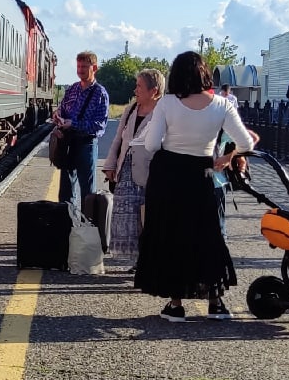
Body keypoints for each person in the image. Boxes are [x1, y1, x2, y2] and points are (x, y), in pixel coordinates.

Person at [134, 51, 259, 322]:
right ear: (204, 74)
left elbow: (152, 145)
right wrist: (227, 157)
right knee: (206, 235)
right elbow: (246, 143)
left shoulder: (167, 103)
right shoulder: (222, 105)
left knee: (170, 237)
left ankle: (176, 304)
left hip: (168, 176)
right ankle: (216, 303)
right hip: (201, 173)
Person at [101, 68, 164, 265]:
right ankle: (137, 261)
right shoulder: (130, 110)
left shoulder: (163, 113)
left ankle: (148, 260)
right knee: (126, 219)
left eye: (139, 86)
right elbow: (118, 139)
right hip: (126, 171)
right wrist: (110, 165)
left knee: (146, 218)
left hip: (150, 173)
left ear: (153, 91)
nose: (135, 90)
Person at [54, 51, 109, 205]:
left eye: (84, 66)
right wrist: (58, 116)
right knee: (65, 192)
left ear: (94, 68)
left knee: (87, 193)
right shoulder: (72, 89)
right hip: (68, 144)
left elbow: (99, 126)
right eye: (78, 66)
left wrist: (74, 124)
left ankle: (87, 225)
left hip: (87, 145)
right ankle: (68, 224)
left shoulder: (100, 93)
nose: (80, 70)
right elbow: (62, 109)